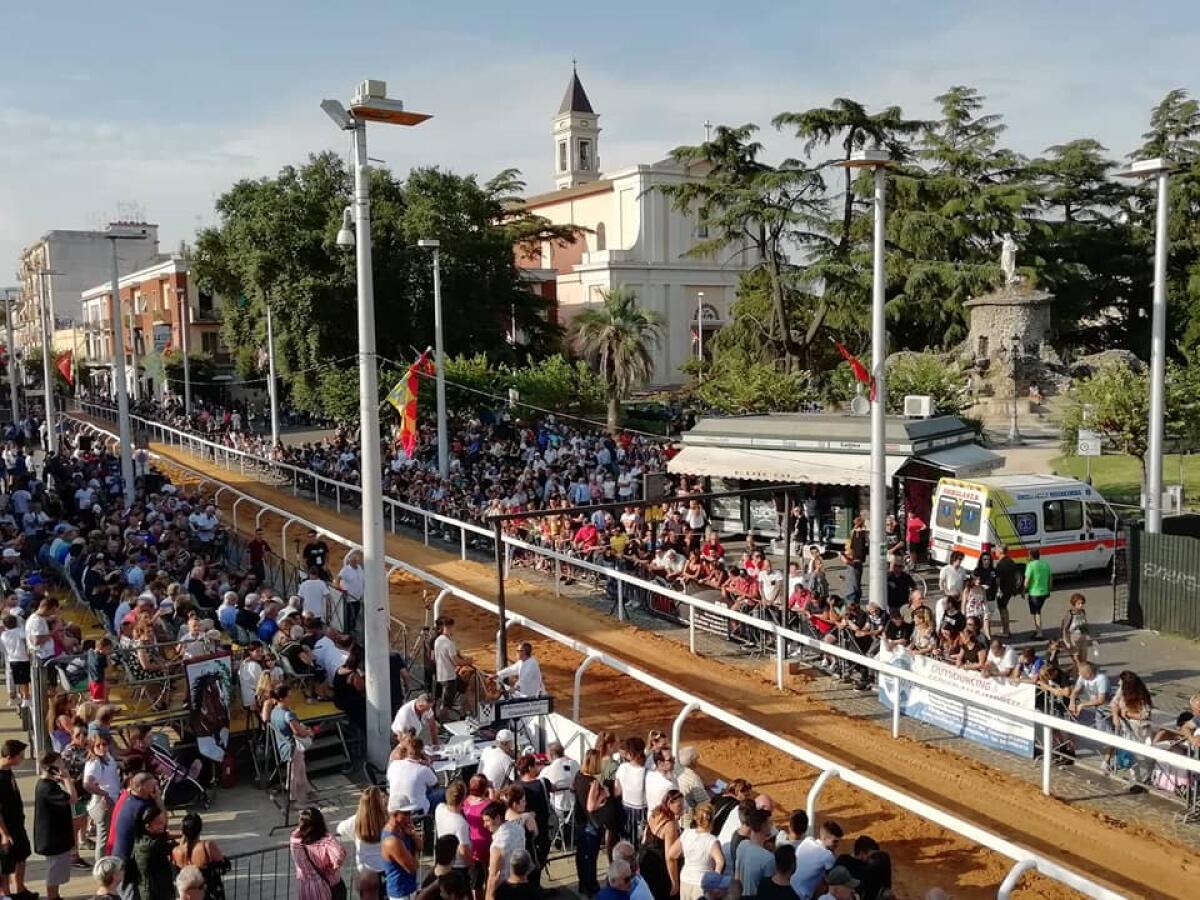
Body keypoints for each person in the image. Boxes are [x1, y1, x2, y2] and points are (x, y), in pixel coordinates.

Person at [34, 750, 78, 900]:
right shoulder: (48, 788)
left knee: (58, 870)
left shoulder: (49, 785)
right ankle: (52, 897)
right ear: (50, 766)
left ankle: (55, 895)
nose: (63, 765)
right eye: (59, 763)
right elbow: (73, 798)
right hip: (52, 838)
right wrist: (67, 779)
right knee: (54, 870)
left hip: (56, 836)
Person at [338, 787, 389, 900]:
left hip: (366, 871)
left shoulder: (355, 821)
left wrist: (354, 835)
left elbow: (340, 829)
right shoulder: (388, 819)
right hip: (386, 869)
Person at [0, 739, 34, 900]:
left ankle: (20, 889)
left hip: (17, 824)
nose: (23, 759)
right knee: (5, 864)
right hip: (6, 828)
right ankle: (5, 893)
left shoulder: (8, 771)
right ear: (10, 757)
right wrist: (4, 834)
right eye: (20, 756)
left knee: (22, 855)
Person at [290, 807, 348, 900]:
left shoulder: (295, 841)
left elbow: (297, 831)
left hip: (307, 888)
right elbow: (339, 855)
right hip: (330, 885)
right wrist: (332, 868)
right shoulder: (326, 841)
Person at [170, 814, 228, 900]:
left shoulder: (176, 851)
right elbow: (224, 866)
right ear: (199, 829)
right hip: (208, 893)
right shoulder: (207, 846)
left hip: (187, 895)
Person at [675, 802, 724, 900]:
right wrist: (714, 883)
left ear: (695, 818)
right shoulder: (712, 840)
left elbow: (672, 854)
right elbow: (720, 862)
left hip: (685, 880)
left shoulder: (687, 833)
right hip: (701, 885)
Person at [641, 791, 683, 900]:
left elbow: (644, 838)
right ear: (669, 803)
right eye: (679, 805)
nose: (682, 808)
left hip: (646, 861)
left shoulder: (655, 813)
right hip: (660, 868)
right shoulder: (670, 826)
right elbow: (670, 857)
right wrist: (674, 882)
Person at [129, 805, 175, 900]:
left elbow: (166, 835)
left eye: (163, 821)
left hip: (150, 888)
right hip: (152, 893)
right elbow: (175, 847)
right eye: (158, 823)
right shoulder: (152, 845)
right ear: (148, 826)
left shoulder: (143, 837)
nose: (162, 825)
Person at [791, 821, 842, 900]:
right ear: (824, 838)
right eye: (835, 841)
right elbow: (833, 878)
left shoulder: (807, 840)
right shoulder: (827, 856)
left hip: (788, 886)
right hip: (802, 896)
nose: (837, 845)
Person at [381, 802, 421, 900]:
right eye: (406, 814)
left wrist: (413, 834)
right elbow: (413, 867)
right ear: (395, 814)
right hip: (401, 894)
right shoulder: (392, 841)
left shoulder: (403, 827)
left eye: (410, 813)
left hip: (409, 888)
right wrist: (414, 851)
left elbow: (420, 846)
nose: (410, 817)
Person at [387, 740, 438, 815]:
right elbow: (436, 785)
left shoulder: (393, 765)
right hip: (417, 811)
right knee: (443, 793)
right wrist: (428, 766)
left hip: (394, 810)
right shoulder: (423, 769)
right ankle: (432, 822)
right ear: (421, 753)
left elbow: (389, 779)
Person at [432, 620, 474, 712]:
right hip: (449, 678)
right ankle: (443, 722)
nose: (452, 629)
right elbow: (456, 661)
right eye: (450, 627)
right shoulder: (448, 643)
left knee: (463, 687)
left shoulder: (438, 641)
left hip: (442, 675)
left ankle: (461, 708)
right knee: (446, 704)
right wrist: (468, 662)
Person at [733, 808, 775, 899]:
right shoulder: (768, 858)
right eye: (770, 823)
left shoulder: (742, 845)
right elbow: (769, 891)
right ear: (763, 826)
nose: (772, 826)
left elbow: (737, 878)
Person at [435, 782, 473, 871]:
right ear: (463, 799)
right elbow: (464, 850)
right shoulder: (461, 823)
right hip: (459, 865)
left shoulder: (439, 808)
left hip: (444, 859)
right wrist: (471, 864)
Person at [675, 748, 709, 827]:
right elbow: (704, 802)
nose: (697, 762)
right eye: (696, 759)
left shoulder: (676, 769)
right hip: (685, 817)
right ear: (692, 761)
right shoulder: (694, 778)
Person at [1023, 548, 1052, 639]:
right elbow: (1050, 578)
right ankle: (1037, 630)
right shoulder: (1045, 564)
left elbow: (1027, 581)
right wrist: (1049, 589)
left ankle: (1039, 633)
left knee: (1036, 612)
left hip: (1034, 593)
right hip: (1044, 592)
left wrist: (1023, 591)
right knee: (1037, 612)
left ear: (1031, 556)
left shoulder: (1030, 566)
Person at [993, 544, 1021, 638]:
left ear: (1000, 551)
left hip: (1002, 590)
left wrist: (998, 590)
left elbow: (998, 579)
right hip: (1009, 589)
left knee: (1002, 610)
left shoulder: (1000, 564)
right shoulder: (1011, 561)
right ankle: (1006, 629)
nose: (995, 552)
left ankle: (1005, 631)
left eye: (996, 550)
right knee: (1005, 608)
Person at [337, 551, 365, 637]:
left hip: (358, 598)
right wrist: (342, 589)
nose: (355, 562)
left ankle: (352, 629)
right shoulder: (345, 570)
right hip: (349, 598)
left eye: (356, 561)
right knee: (348, 616)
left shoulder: (360, 568)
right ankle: (347, 632)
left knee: (355, 615)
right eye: (353, 561)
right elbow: (337, 581)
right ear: (350, 561)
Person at [1059, 593, 1092, 662]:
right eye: (1079, 604)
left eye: (1082, 603)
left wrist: (1089, 636)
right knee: (1076, 659)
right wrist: (1067, 642)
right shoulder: (1070, 614)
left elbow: (1085, 625)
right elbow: (1065, 629)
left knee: (1084, 658)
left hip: (1083, 638)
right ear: (1074, 604)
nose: (1081, 605)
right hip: (1073, 639)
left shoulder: (1083, 612)